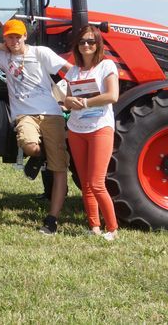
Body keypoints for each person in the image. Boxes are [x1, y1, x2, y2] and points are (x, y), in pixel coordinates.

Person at [0, 19, 70, 235]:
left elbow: (69, 69)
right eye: (10, 36)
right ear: (5, 38)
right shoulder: (3, 56)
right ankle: (40, 155)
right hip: (25, 115)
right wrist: (1, 46)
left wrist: (76, 93)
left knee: (59, 169)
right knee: (29, 146)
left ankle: (52, 219)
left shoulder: (40, 52)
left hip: (51, 113)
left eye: (18, 36)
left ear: (25, 36)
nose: (14, 40)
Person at [63, 25, 119, 240]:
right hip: (77, 129)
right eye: (82, 42)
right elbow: (66, 99)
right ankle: (94, 226)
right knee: (85, 182)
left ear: (98, 44)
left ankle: (112, 229)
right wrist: (69, 101)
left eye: (91, 41)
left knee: (96, 182)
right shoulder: (74, 70)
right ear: (77, 46)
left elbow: (112, 96)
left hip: (100, 128)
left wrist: (85, 102)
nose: (86, 45)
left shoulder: (107, 66)